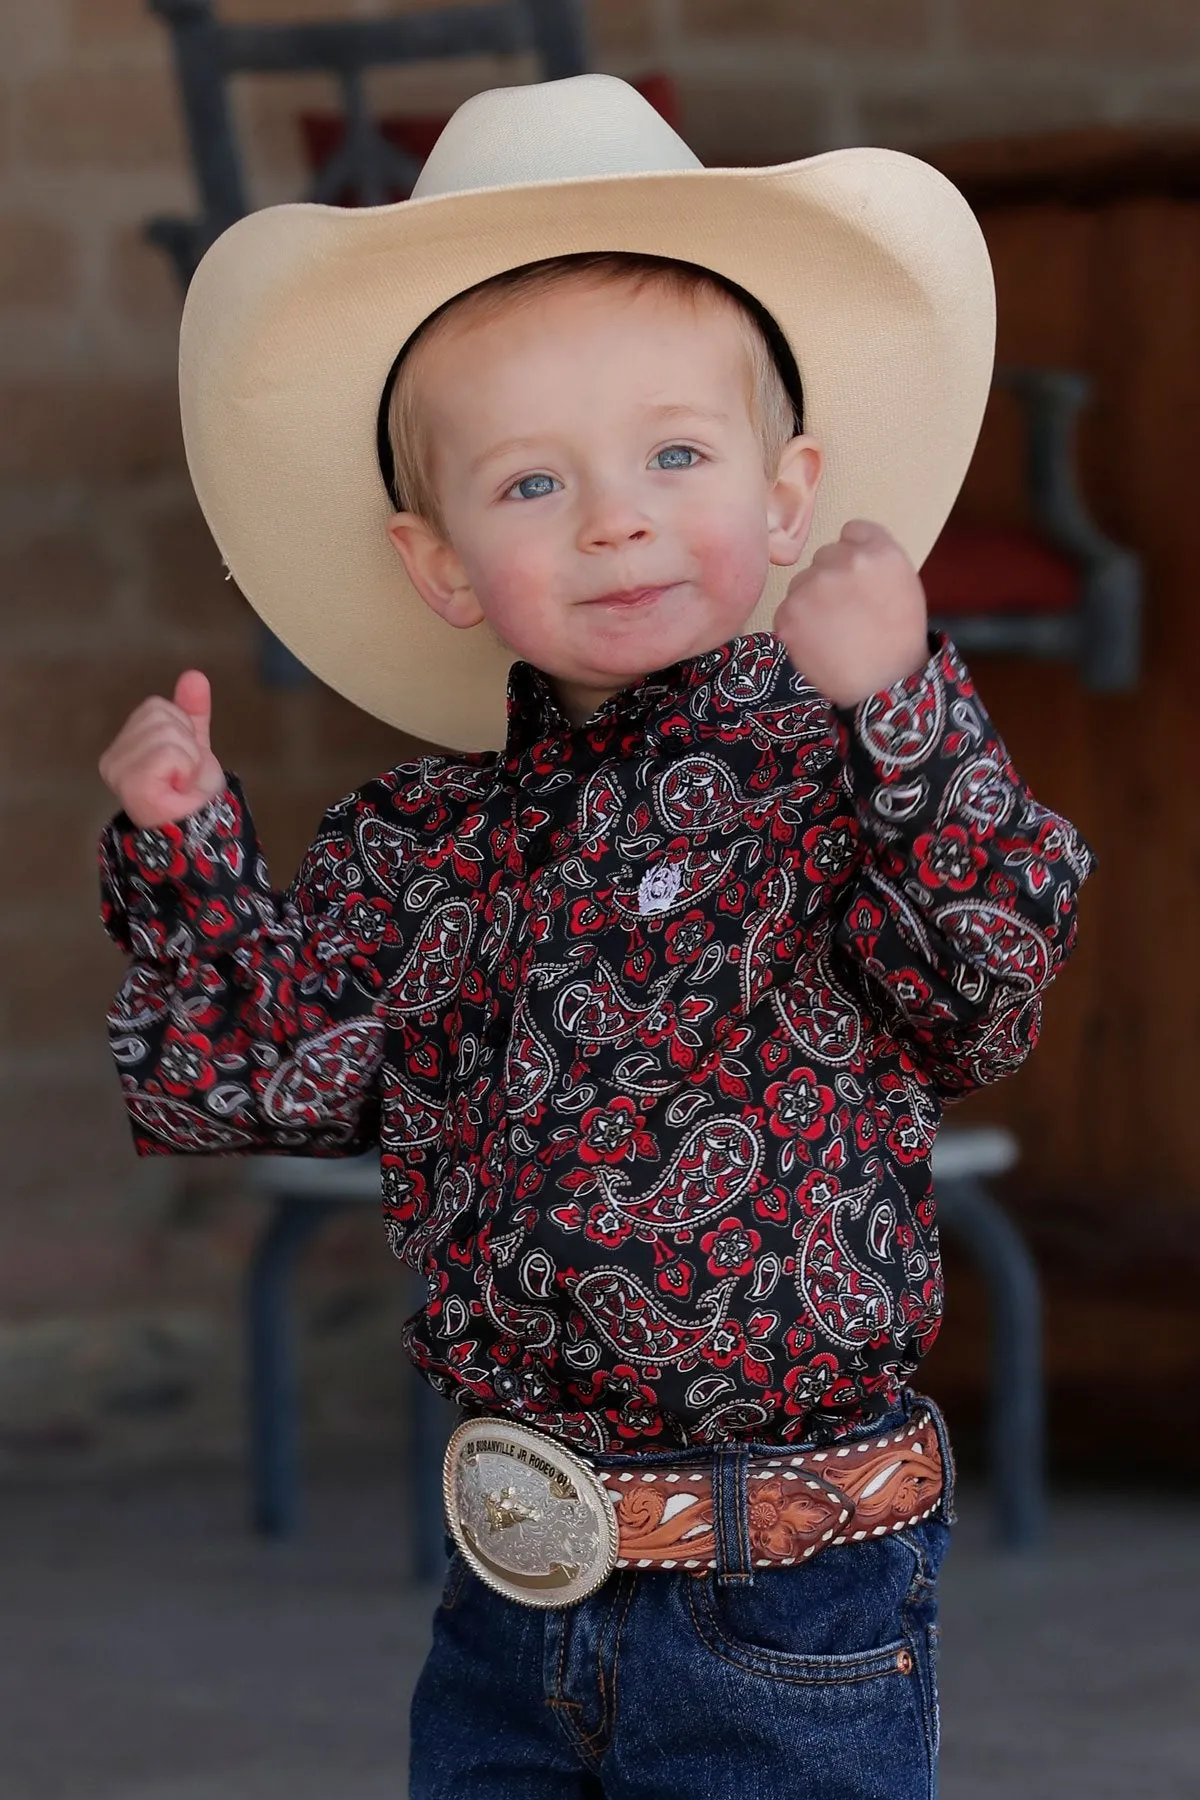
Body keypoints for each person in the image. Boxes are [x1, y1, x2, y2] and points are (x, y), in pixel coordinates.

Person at [97, 75, 1092, 1800]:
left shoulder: (837, 773)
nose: (613, 515)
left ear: (789, 503)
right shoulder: (428, 842)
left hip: (785, 1596)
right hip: (514, 1583)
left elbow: (987, 976)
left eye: (675, 456)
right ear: (442, 562)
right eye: (533, 481)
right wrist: (186, 854)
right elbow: (259, 1080)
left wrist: (907, 710)